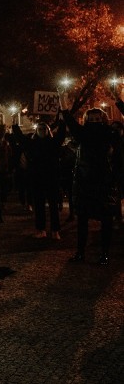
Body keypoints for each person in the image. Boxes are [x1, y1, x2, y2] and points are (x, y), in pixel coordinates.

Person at [61, 88, 119, 266]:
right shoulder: (83, 133)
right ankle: (81, 252)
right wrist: (63, 104)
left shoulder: (110, 134)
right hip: (85, 182)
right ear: (86, 120)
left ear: (103, 120)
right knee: (83, 220)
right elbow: (69, 120)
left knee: (106, 221)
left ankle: (104, 253)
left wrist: (119, 101)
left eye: (97, 119)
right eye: (91, 119)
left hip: (102, 182)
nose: (94, 122)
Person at [12, 118, 66, 239]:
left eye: (44, 129)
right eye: (40, 129)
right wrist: (15, 125)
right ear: (36, 131)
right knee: (39, 205)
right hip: (37, 178)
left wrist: (62, 121)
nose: (42, 131)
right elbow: (20, 138)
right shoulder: (32, 143)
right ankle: (41, 230)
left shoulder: (53, 143)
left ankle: (55, 231)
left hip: (51, 177)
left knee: (53, 205)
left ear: (48, 131)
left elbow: (61, 135)